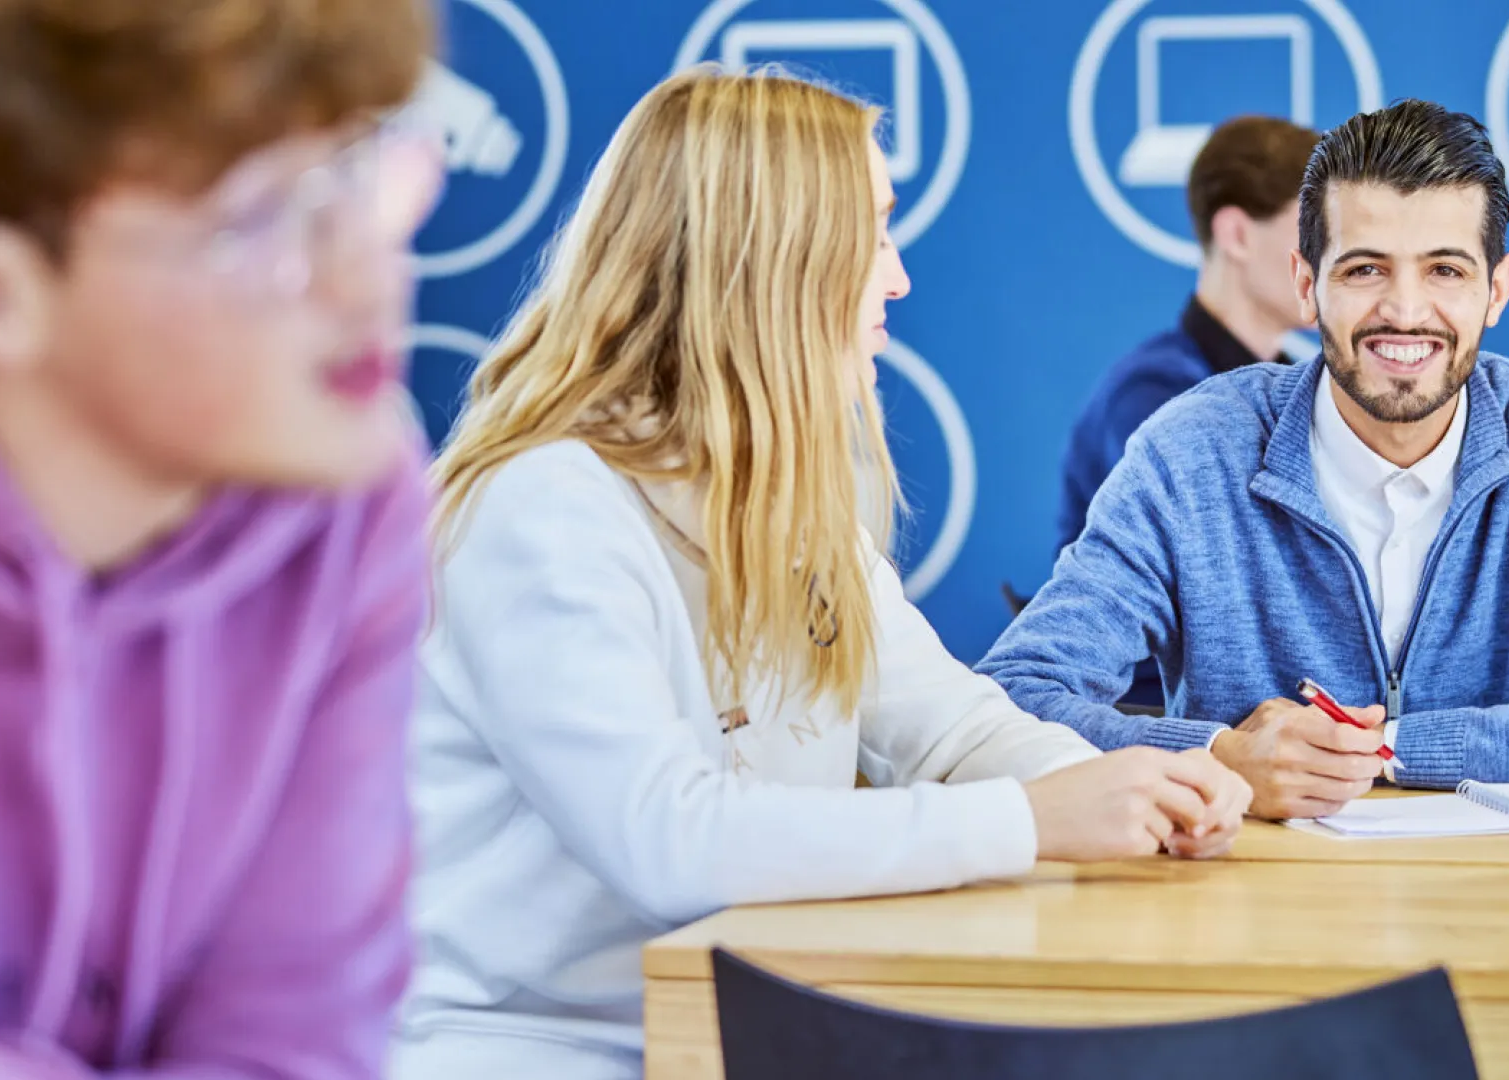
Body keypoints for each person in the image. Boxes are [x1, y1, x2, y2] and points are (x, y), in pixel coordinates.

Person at [396, 69, 1250, 1080]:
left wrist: (1124, 789)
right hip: (533, 1051)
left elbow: (952, 729)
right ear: (771, 258)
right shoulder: (539, 506)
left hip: (739, 1024)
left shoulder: (782, 501)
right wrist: (1033, 819)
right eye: (876, 234)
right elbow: (668, 843)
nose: (897, 280)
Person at [0, 2, 439, 1077]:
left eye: (354, 164)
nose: (370, 275)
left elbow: (293, 1055)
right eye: (264, 216)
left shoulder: (350, 503)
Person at [981, 100, 1509, 820]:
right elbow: (1009, 698)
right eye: (1366, 270)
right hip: (1250, 912)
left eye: (1445, 271)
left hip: (1506, 906)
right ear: (1309, 286)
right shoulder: (1192, 447)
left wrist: (1391, 750)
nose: (1404, 311)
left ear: (1497, 291)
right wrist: (1217, 753)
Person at [1054, 115, 1318, 707]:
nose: (1331, 258)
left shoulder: (1296, 387)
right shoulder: (1154, 395)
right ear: (1238, 234)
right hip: (1153, 724)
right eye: (1312, 230)